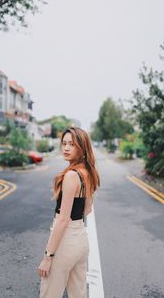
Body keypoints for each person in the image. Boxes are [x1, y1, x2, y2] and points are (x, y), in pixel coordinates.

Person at [37, 127, 100, 298]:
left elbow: (63, 220)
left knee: (49, 293)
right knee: (78, 294)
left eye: (71, 144)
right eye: (64, 143)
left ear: (82, 147)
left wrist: (48, 257)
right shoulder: (87, 173)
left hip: (66, 242)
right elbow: (88, 209)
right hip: (81, 240)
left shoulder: (72, 175)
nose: (66, 148)